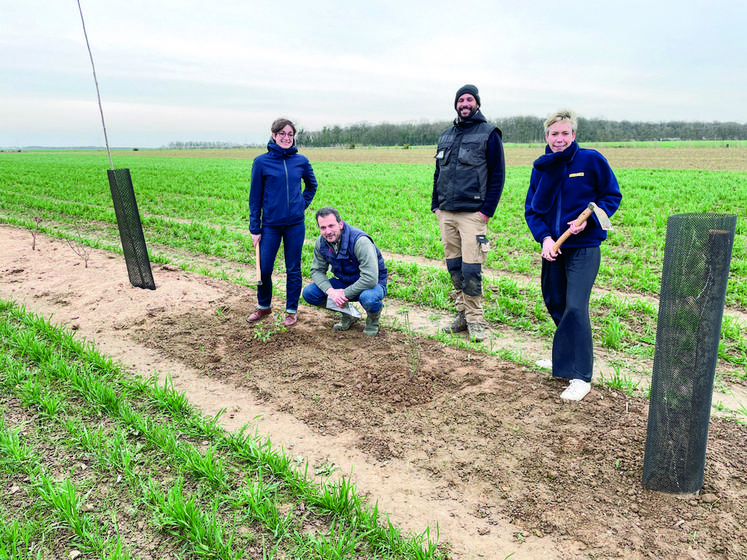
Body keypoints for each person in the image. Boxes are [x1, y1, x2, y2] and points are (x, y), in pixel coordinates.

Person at [524, 109, 622, 401]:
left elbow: (611, 197)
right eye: (554, 134)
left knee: (576, 308)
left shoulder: (591, 160)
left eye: (565, 133)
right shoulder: (542, 167)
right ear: (546, 136)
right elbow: (532, 209)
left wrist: (587, 220)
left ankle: (581, 376)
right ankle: (563, 361)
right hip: (554, 248)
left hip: (584, 247)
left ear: (574, 135)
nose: (560, 139)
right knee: (556, 303)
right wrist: (544, 238)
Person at [432, 84, 506, 342]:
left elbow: (498, 175)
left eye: (469, 100)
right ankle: (462, 314)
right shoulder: (446, 136)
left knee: (472, 269)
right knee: (454, 267)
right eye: (460, 100)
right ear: (456, 104)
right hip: (447, 213)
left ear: (477, 104)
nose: (464, 104)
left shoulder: (489, 134)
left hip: (473, 214)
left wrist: (487, 211)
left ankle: (475, 320)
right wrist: (436, 205)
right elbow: (438, 173)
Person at [248, 117, 318, 328]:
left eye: (290, 134)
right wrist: (255, 227)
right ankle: (264, 306)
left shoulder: (301, 161)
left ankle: (291, 310)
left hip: (295, 224)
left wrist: (300, 205)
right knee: (265, 268)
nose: (286, 138)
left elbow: (312, 186)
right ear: (274, 135)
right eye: (282, 134)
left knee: (293, 269)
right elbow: (255, 197)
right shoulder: (261, 162)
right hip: (270, 225)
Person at [302, 207, 388, 336]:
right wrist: (331, 292)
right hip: (345, 281)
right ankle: (348, 314)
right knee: (310, 293)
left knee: (369, 299)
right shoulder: (321, 242)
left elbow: (370, 278)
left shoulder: (360, 241)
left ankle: (373, 321)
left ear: (340, 224)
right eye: (323, 228)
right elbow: (316, 270)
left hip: (372, 285)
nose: (328, 231)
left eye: (331, 225)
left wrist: (344, 294)